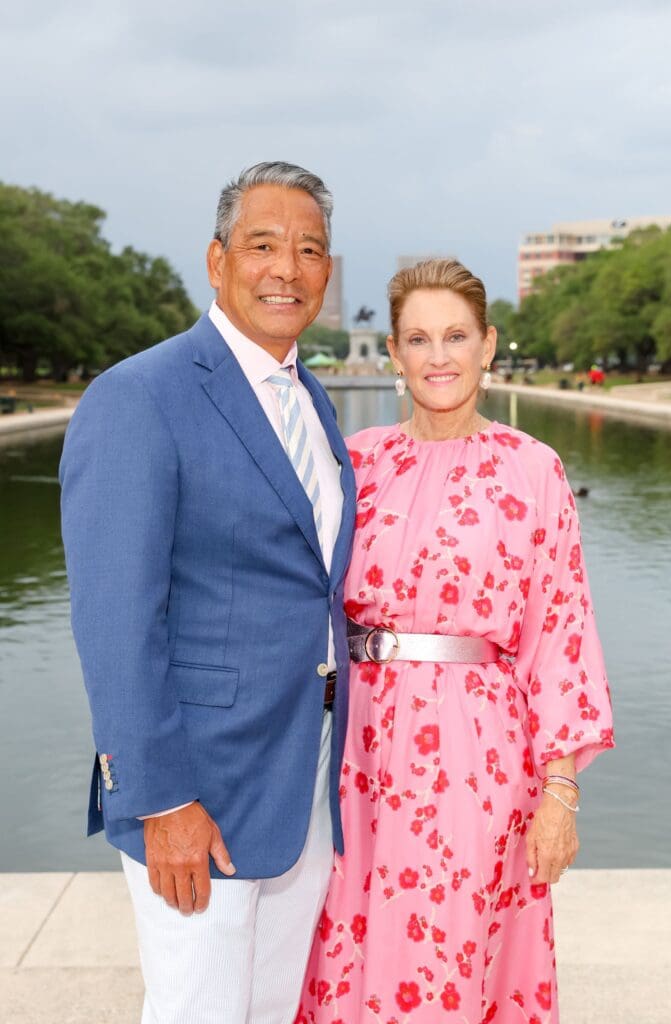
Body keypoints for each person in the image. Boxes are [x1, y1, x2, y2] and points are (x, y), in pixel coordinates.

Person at [59, 161, 356, 1024]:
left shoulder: (309, 402)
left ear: (327, 275)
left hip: (301, 777)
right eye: (262, 245)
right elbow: (115, 618)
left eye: (308, 250)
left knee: (266, 1010)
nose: (286, 269)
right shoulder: (139, 397)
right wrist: (161, 797)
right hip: (199, 790)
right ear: (217, 260)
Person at [298, 259, 614, 1023]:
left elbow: (559, 631)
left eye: (454, 336)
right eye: (416, 338)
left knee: (454, 954)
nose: (437, 356)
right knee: (344, 947)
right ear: (396, 353)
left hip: (477, 759)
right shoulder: (355, 463)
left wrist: (559, 793)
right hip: (355, 759)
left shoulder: (532, 468)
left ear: (487, 344)